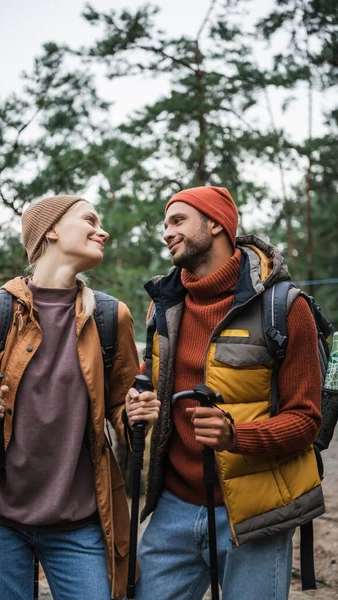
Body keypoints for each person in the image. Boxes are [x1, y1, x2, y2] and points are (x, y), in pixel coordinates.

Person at [0, 194, 160, 600]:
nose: (103, 230)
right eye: (89, 219)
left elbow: (121, 409)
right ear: (51, 230)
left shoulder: (112, 318)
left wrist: (135, 413)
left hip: (82, 523)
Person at [125, 186, 324, 600]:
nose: (166, 233)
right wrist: (136, 401)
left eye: (178, 221)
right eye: (165, 224)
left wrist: (236, 437)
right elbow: (150, 380)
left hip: (256, 513)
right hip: (173, 507)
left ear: (216, 223)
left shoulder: (286, 307)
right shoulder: (162, 306)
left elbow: (306, 420)